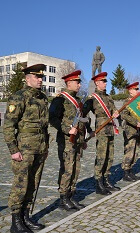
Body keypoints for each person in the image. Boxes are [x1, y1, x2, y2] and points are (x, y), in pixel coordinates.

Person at [4, 64, 48, 232]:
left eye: (41, 77)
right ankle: (16, 221)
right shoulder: (19, 97)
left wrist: (46, 147)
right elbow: (8, 126)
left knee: (33, 183)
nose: (40, 79)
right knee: (21, 184)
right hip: (24, 148)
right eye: (37, 77)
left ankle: (26, 216)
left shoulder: (42, 98)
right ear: (27, 78)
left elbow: (44, 126)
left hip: (40, 147)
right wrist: (13, 149)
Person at [49, 70, 87, 211]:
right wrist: (66, 129)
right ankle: (63, 198)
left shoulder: (77, 101)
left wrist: (83, 139)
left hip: (77, 140)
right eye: (77, 82)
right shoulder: (60, 99)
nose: (79, 85)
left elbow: (81, 121)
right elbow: (52, 118)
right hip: (66, 141)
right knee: (67, 169)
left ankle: (71, 195)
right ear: (69, 83)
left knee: (76, 169)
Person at [83, 72, 121, 195]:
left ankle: (106, 179)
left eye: (106, 81)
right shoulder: (92, 98)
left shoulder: (109, 97)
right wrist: (89, 130)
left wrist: (116, 114)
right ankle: (99, 183)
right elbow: (83, 115)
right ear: (97, 83)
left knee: (110, 157)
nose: (105, 83)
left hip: (110, 129)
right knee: (101, 157)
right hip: (101, 130)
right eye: (103, 81)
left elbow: (114, 110)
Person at [120, 82, 140, 182]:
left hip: (137, 130)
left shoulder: (137, 101)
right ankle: (126, 172)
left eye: (138, 89)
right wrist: (135, 122)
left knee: (135, 152)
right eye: (135, 89)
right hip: (130, 130)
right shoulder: (127, 101)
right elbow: (123, 115)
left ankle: (130, 170)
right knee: (129, 151)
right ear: (130, 91)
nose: (137, 91)